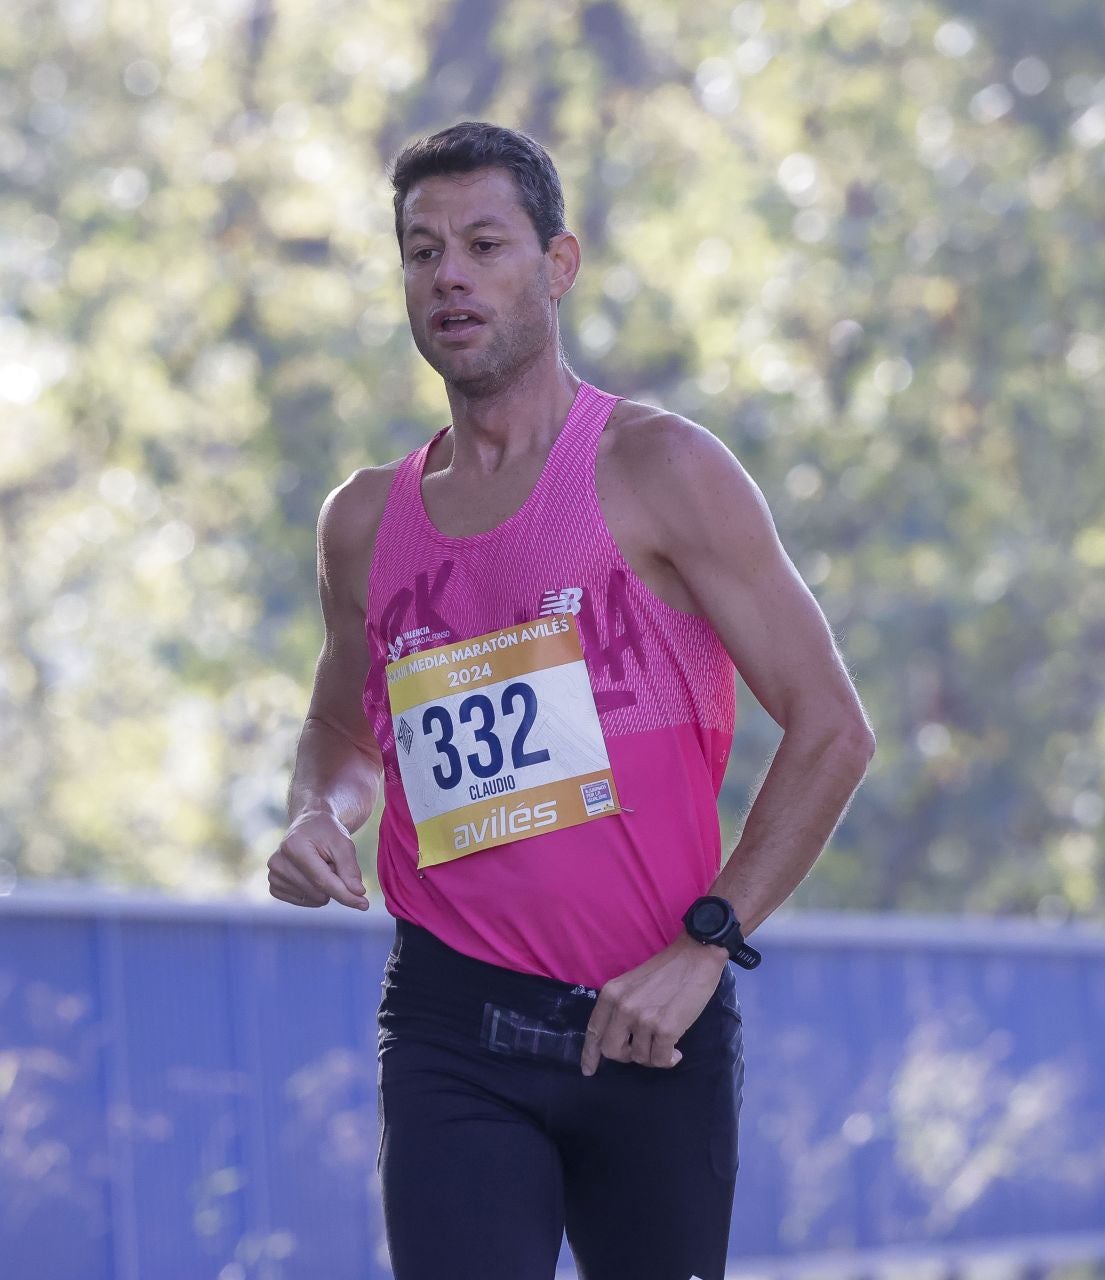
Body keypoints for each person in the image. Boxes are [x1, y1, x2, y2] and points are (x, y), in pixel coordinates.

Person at [267, 121, 875, 1280]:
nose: (449, 272)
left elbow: (835, 728)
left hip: (649, 1019)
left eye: (485, 243)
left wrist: (709, 946)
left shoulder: (662, 469)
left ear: (558, 264)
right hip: (451, 1025)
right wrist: (316, 812)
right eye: (421, 249)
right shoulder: (362, 518)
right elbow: (345, 730)